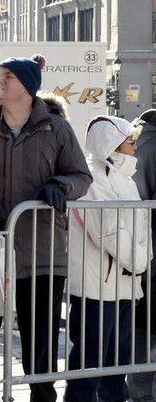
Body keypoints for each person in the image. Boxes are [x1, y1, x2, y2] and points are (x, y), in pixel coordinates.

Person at [0, 55, 91, 402]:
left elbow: (81, 175)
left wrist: (59, 185)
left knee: (40, 350)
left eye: (9, 76)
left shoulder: (55, 128)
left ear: (28, 87)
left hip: (42, 252)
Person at [66, 115, 150, 402]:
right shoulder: (93, 179)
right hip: (97, 286)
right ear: (112, 143)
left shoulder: (124, 179)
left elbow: (140, 226)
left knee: (119, 356)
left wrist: (142, 257)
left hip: (121, 283)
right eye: (129, 141)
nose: (134, 146)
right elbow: (109, 230)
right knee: (91, 357)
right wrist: (140, 260)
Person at [129, 108, 156, 402]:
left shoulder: (137, 138)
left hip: (141, 258)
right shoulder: (149, 144)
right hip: (147, 258)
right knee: (144, 335)